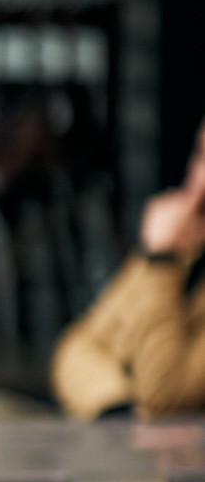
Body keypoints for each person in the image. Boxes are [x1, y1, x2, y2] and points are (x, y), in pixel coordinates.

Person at [52, 115, 205, 419]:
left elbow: (165, 394)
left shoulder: (166, 255)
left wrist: (161, 262)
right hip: (119, 435)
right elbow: (76, 347)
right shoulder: (184, 249)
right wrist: (118, 408)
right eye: (201, 155)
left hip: (179, 458)